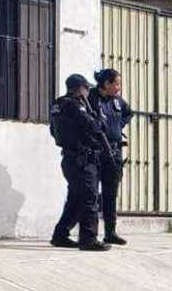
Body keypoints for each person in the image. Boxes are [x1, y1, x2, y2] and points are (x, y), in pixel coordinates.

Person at [50, 74, 109, 251]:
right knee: (90, 198)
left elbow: (54, 131)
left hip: (70, 158)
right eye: (86, 88)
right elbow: (93, 126)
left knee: (75, 199)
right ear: (79, 88)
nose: (87, 91)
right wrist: (98, 119)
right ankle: (88, 239)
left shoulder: (58, 104)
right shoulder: (75, 105)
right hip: (81, 159)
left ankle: (60, 235)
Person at [88, 68, 132, 245]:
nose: (118, 88)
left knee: (110, 194)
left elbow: (128, 113)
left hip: (114, 153)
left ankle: (110, 232)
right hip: (96, 152)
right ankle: (90, 234)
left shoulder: (117, 101)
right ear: (106, 84)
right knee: (90, 193)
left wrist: (116, 128)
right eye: (116, 83)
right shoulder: (91, 98)